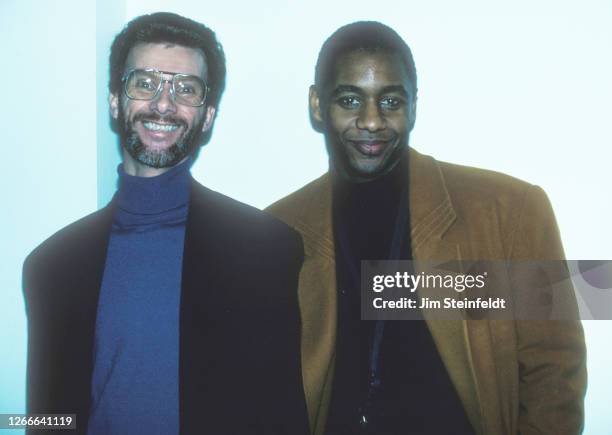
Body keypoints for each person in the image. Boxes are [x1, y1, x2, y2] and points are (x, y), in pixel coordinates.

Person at [267, 21, 586, 435]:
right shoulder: (276, 231)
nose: (371, 121)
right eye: (349, 100)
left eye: (390, 101)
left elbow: (557, 369)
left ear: (413, 105)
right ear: (316, 105)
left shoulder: (511, 209)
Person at [23, 12, 309, 435]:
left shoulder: (267, 251)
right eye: (145, 83)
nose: (163, 103)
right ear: (116, 101)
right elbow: (45, 421)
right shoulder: (52, 266)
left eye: (185, 89)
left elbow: (283, 415)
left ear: (208, 115)